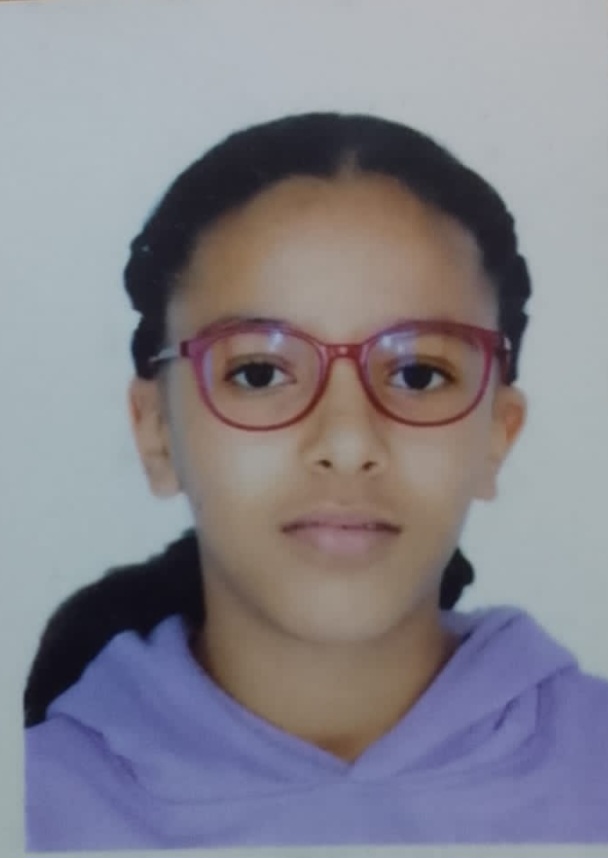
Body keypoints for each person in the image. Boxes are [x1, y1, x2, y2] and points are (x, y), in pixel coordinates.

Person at [24, 112, 608, 851]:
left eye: (417, 373)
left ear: (500, 431)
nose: (348, 443)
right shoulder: (38, 801)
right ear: (156, 430)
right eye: (258, 373)